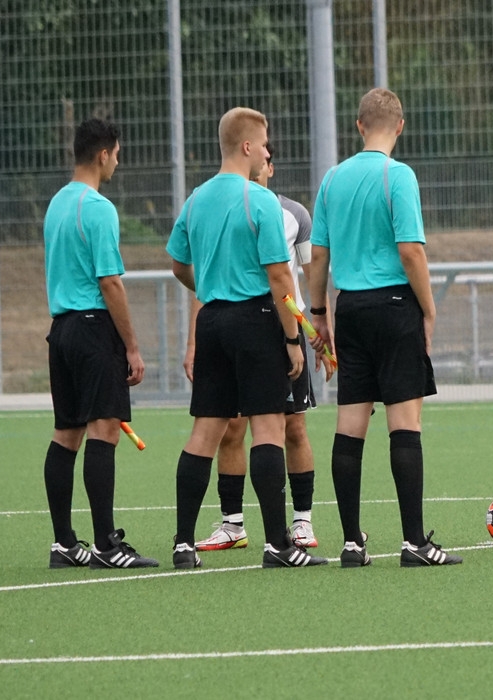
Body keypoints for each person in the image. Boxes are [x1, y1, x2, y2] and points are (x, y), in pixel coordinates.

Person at [166, 107, 327, 569]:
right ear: (247, 146)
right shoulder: (259, 200)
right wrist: (293, 340)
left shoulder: (196, 199)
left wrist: (210, 286)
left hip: (212, 322)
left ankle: (183, 544)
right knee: (269, 429)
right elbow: (279, 276)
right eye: (265, 142)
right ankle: (278, 545)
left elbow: (178, 264)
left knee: (205, 432)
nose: (267, 151)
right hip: (256, 321)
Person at [307, 87, 461, 567]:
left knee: (350, 426)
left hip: (350, 308)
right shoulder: (399, 175)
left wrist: (319, 313)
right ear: (400, 126)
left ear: (358, 126)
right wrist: (428, 310)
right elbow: (410, 251)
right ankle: (414, 542)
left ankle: (352, 543)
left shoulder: (333, 179)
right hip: (395, 307)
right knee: (405, 424)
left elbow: (318, 255)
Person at [42, 118, 158, 569]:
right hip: (92, 329)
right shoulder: (98, 208)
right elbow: (109, 282)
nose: (117, 162)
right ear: (103, 154)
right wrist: (132, 346)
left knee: (66, 433)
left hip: (62, 331)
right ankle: (107, 546)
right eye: (117, 154)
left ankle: (64, 543)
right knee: (104, 430)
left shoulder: (56, 204)